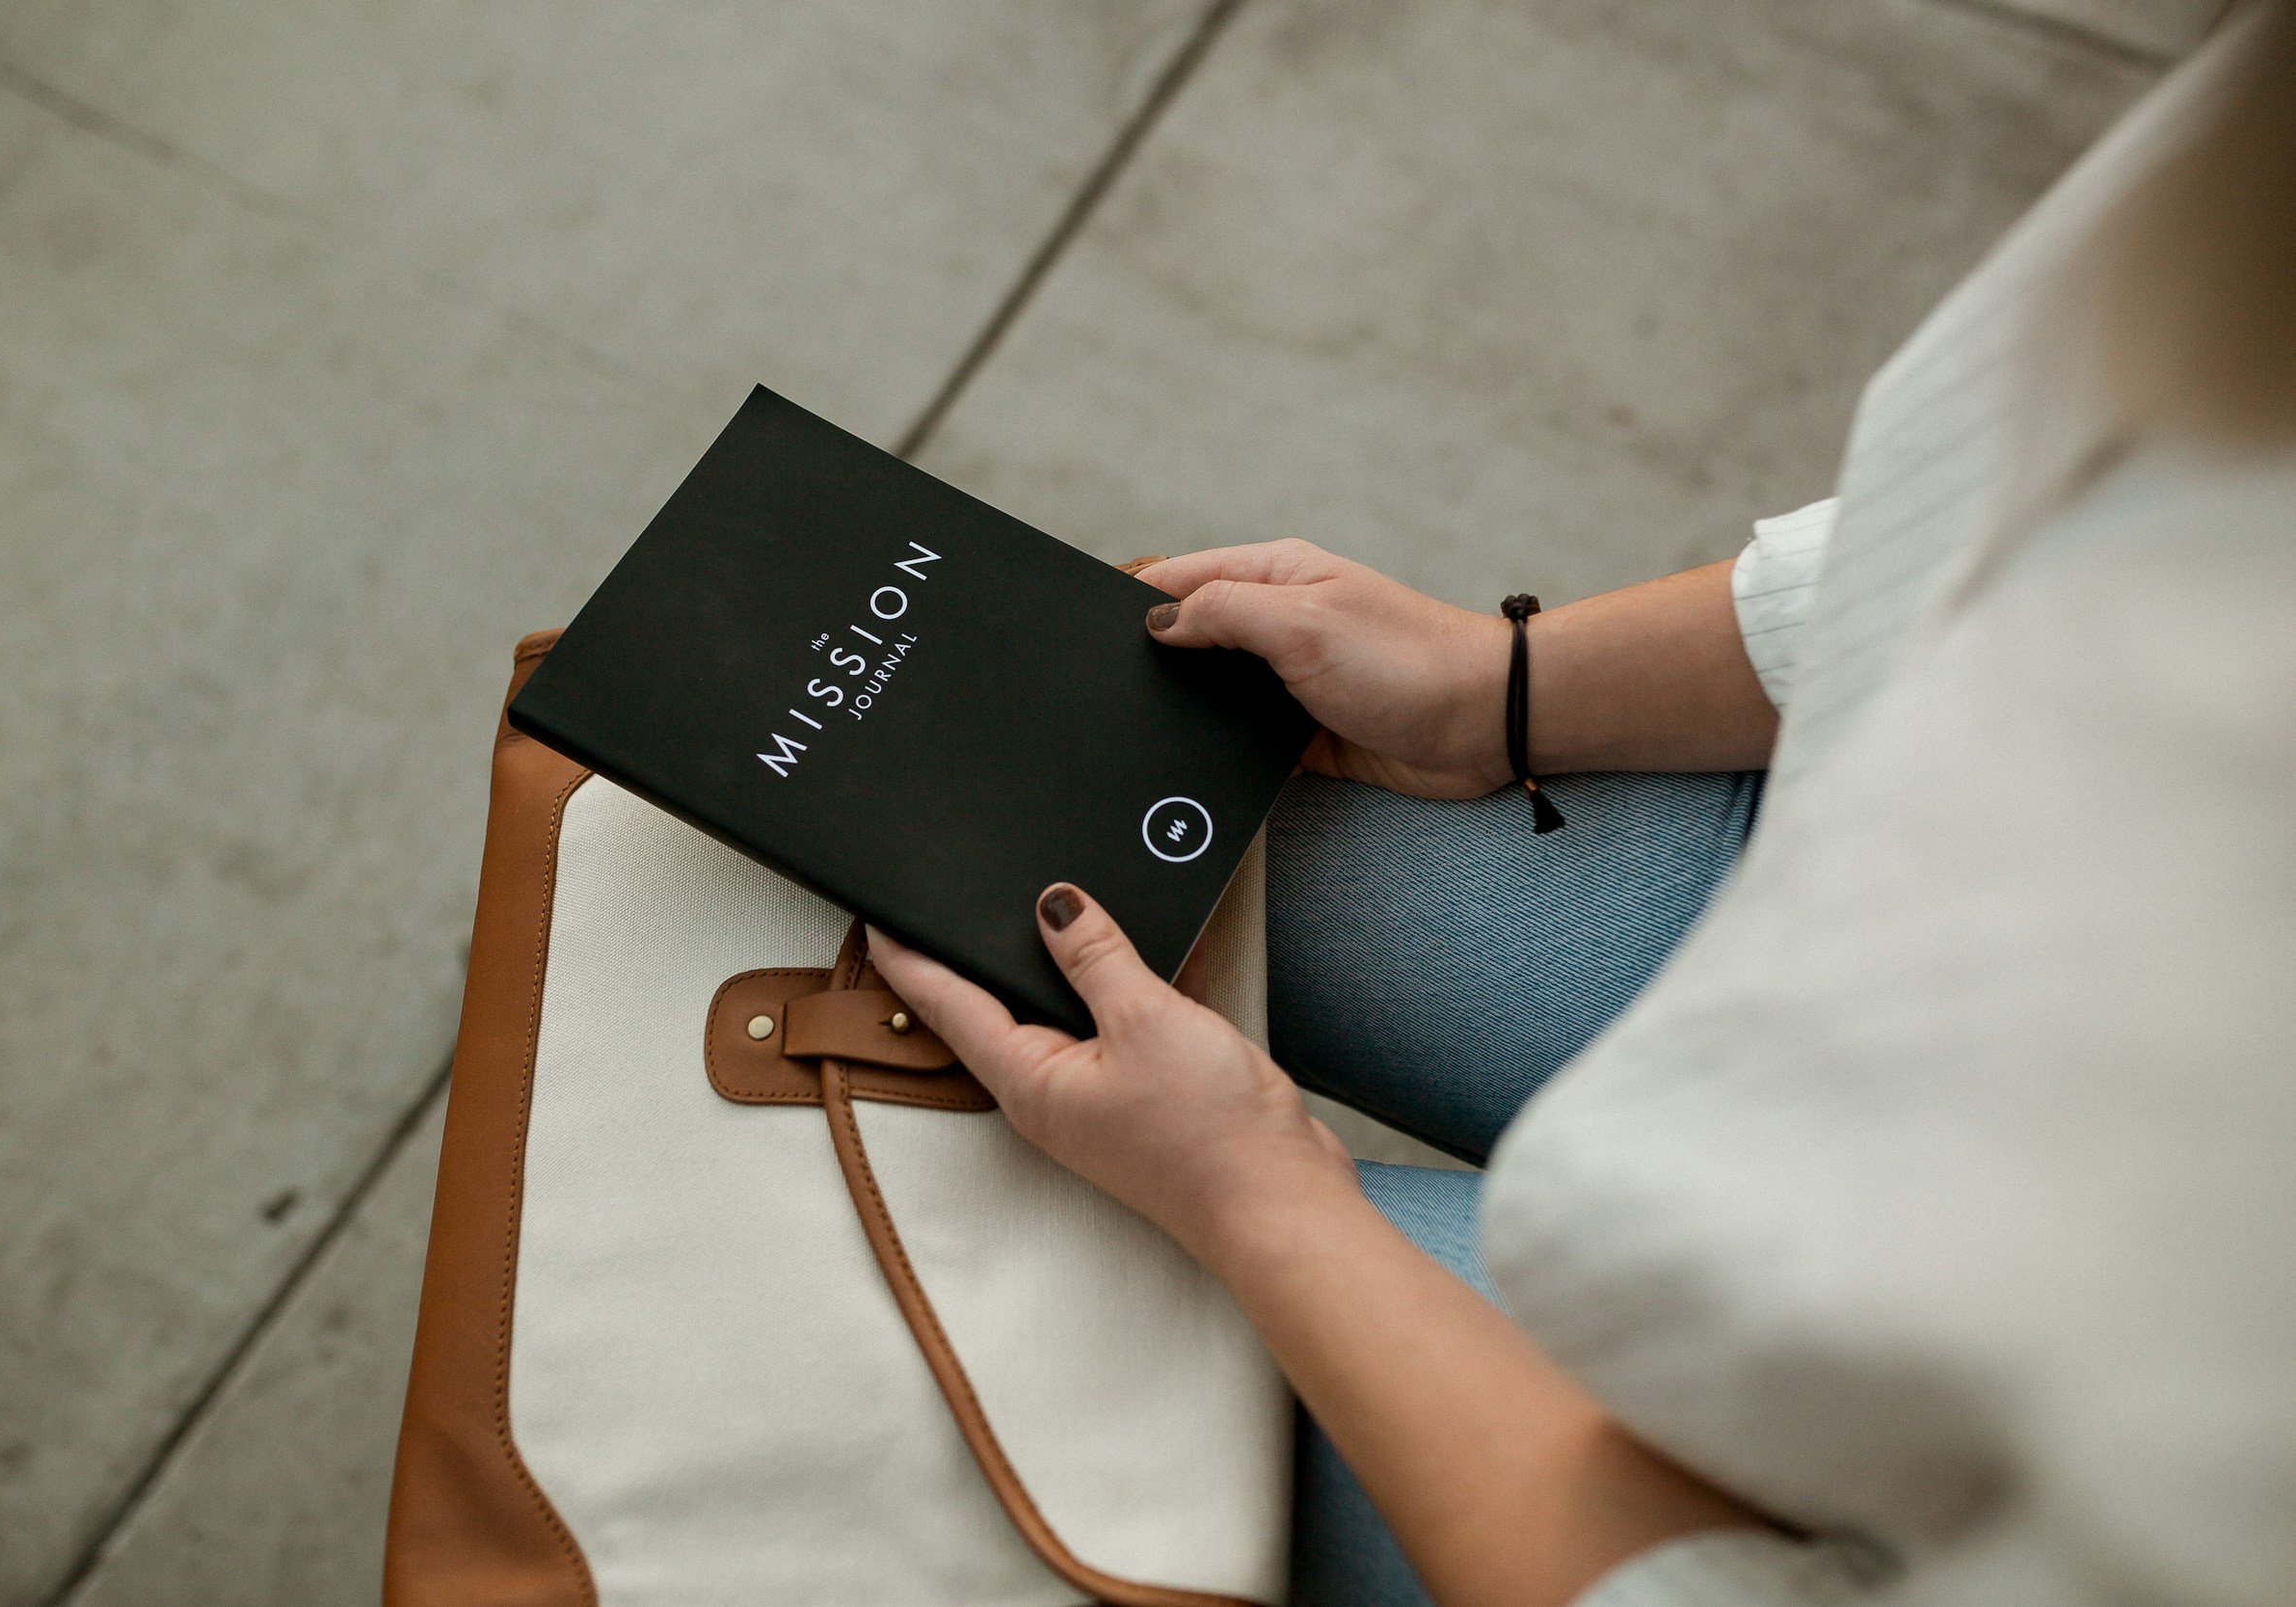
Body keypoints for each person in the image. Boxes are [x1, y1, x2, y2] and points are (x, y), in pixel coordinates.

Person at [871, 6, 2296, 1604]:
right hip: (1880, 879)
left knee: (907, 1334)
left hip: (1841, 1493)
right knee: (956, 813)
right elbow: (1996, 492)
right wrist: (1501, 689)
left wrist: (1254, 1199)